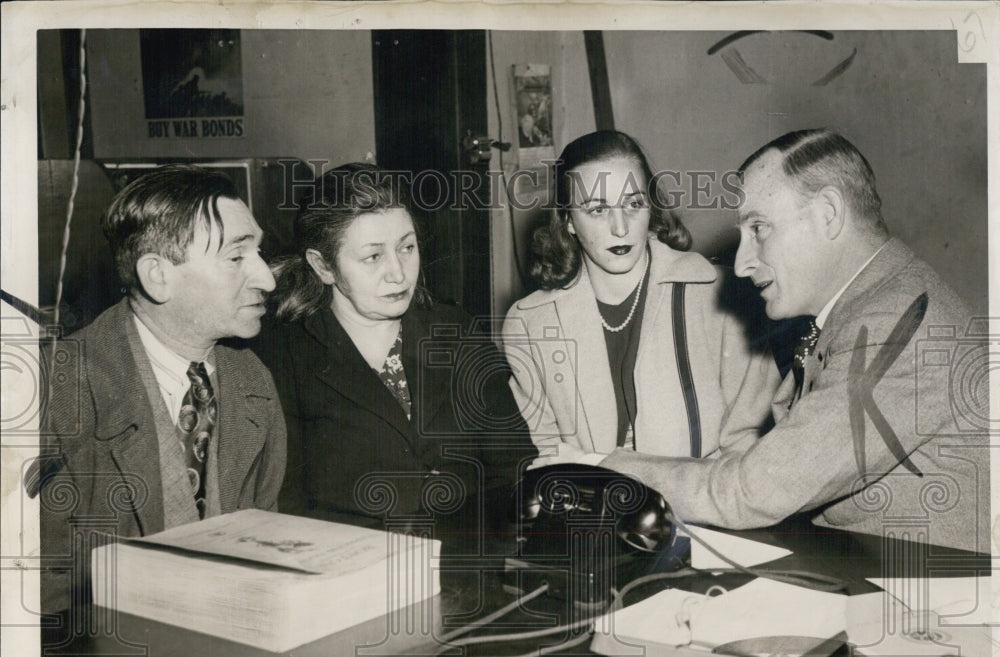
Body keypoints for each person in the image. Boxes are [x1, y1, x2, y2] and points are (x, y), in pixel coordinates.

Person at [591, 129, 989, 552]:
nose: (742, 264)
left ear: (829, 214)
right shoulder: (868, 304)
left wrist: (603, 467)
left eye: (759, 228)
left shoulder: (896, 324)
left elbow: (753, 491)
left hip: (936, 595)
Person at [33, 164, 287, 614]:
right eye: (236, 258)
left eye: (259, 253)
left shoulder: (254, 383)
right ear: (158, 276)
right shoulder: (53, 393)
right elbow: (31, 591)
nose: (267, 278)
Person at [255, 163, 536, 534]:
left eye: (406, 247)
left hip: (466, 559)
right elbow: (283, 503)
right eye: (373, 257)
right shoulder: (285, 355)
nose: (398, 273)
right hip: (346, 569)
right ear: (323, 266)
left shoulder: (456, 332)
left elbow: (513, 466)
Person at [501, 130, 779, 462]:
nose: (621, 227)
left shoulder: (720, 297)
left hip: (704, 508)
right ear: (569, 221)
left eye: (634, 204)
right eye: (598, 210)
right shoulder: (531, 323)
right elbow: (540, 456)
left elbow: (751, 448)